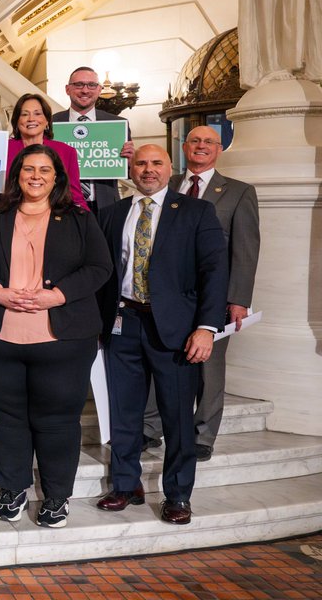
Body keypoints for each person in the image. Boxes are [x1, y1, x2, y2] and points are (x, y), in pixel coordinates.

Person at [0, 145, 111, 527]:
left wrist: (57, 295)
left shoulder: (79, 218)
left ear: (57, 177)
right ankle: (12, 489)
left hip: (62, 340)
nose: (36, 176)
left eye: (45, 170)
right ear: (18, 175)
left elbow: (100, 267)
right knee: (6, 417)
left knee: (58, 420)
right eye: (29, 169)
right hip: (1, 337)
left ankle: (56, 497)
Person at [97, 145, 228, 526]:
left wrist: (206, 328)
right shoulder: (112, 213)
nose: (148, 170)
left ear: (171, 168)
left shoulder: (196, 211)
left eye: (156, 163)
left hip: (176, 330)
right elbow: (103, 272)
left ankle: (177, 494)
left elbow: (214, 271)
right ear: (131, 168)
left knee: (177, 418)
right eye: (141, 163)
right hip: (123, 324)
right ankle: (125, 485)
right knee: (124, 414)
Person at [142, 127, 260, 461]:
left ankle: (203, 434)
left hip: (214, 294)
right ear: (184, 147)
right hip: (167, 293)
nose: (201, 146)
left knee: (209, 367)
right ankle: (149, 428)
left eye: (209, 141)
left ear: (219, 149)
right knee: (160, 359)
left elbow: (246, 249)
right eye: (195, 140)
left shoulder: (239, 192)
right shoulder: (166, 182)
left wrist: (239, 299)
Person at [51, 66, 135, 215]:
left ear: (99, 89)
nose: (85, 90)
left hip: (106, 207)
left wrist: (131, 162)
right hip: (62, 205)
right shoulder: (51, 124)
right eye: (78, 85)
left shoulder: (116, 124)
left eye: (91, 85)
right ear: (67, 89)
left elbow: (127, 173)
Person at [7, 93, 89, 212]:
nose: (31, 119)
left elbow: (74, 194)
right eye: (24, 114)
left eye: (37, 113)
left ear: (47, 120)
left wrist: (86, 218)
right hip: (9, 215)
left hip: (53, 216)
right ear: (17, 120)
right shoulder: (3, 148)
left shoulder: (67, 151)